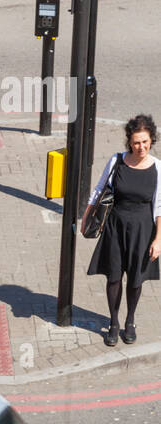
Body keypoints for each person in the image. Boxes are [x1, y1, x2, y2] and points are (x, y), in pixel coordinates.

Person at [83, 113, 161, 346]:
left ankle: (130, 321)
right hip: (115, 227)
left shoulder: (158, 168)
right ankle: (114, 322)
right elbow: (98, 190)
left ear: (152, 140)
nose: (141, 147)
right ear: (129, 141)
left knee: (136, 280)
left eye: (145, 141)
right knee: (114, 277)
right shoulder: (116, 161)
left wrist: (158, 239)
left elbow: (160, 206)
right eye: (136, 142)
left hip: (143, 231)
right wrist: (87, 216)